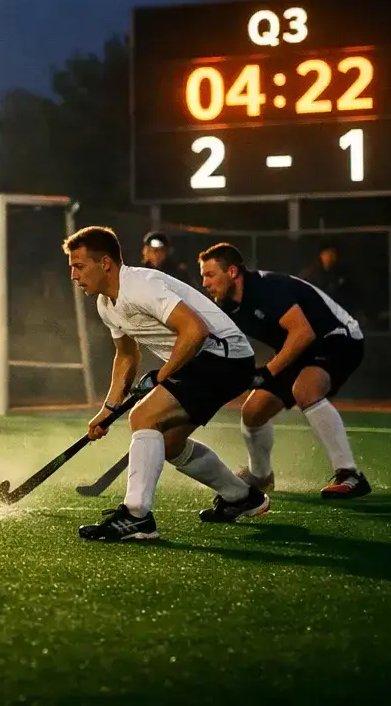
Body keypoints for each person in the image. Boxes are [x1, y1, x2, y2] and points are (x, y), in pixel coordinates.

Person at [65, 225, 269, 542]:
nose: (74, 275)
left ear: (105, 263)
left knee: (144, 417)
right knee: (170, 444)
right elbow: (126, 357)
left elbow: (194, 330)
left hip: (223, 356)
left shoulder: (140, 286)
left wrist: (162, 375)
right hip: (204, 359)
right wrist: (107, 410)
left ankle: (136, 516)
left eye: (79, 266)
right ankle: (241, 497)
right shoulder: (106, 304)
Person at [197, 242, 371, 499]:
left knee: (305, 389)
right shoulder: (227, 306)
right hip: (301, 348)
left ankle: (350, 474)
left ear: (232, 272)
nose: (205, 283)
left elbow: (303, 332)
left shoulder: (266, 287)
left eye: (209, 274)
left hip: (337, 337)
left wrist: (267, 372)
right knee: (253, 412)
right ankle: (261, 476)